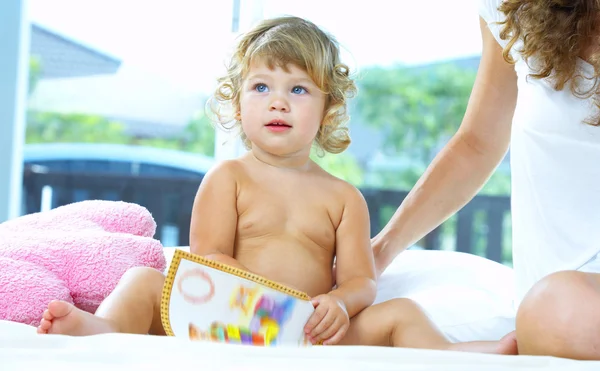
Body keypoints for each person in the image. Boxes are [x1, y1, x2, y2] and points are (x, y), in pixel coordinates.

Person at [35, 15, 516, 353]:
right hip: (222, 318)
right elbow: (209, 258)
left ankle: (460, 354)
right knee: (144, 281)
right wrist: (264, 298)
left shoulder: (343, 198)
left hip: (305, 330)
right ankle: (104, 328)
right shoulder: (229, 178)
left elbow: (361, 279)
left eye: (298, 89)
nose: (278, 103)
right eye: (261, 87)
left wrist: (338, 305)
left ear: (327, 110)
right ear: (237, 100)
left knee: (401, 313)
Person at [371, 0, 600, 360]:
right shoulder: (513, 9)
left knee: (559, 310)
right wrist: (378, 252)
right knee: (557, 309)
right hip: (552, 309)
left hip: (564, 312)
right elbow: (477, 144)